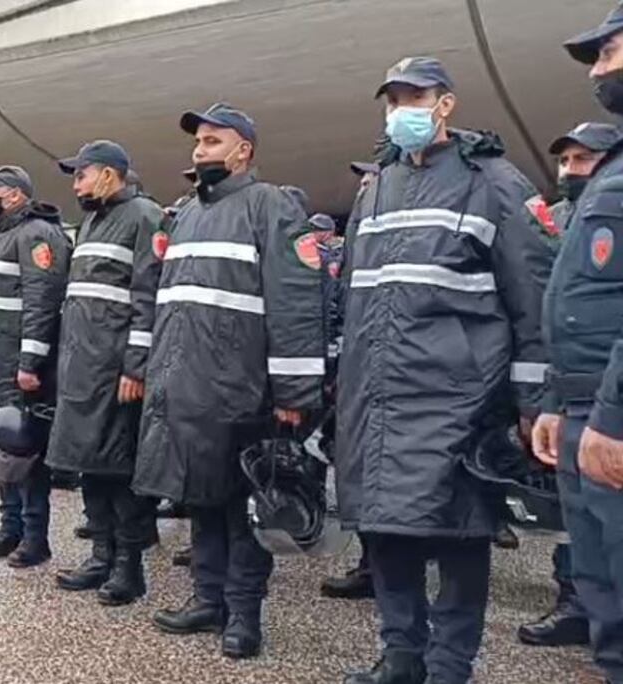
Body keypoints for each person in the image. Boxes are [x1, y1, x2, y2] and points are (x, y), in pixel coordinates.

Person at [337, 57, 553, 684]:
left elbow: (530, 296)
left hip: (458, 396)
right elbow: (354, 291)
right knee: (385, 530)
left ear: (446, 104)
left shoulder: (494, 182)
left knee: (460, 535)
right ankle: (402, 656)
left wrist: (533, 398)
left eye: (415, 95)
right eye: (393, 98)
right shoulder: (377, 183)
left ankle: (448, 667)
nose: (401, 108)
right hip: (374, 394)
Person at [132, 103, 324, 660]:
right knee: (202, 499)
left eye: (213, 142)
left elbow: (294, 304)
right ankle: (207, 599)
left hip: (243, 390)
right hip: (185, 387)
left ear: (244, 150)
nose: (200, 151)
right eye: (198, 143)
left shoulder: (271, 207)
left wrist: (294, 393)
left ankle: (243, 616)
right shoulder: (187, 213)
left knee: (243, 507)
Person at [535, 11, 623, 684]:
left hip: (613, 418)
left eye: (610, 52)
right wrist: (559, 404)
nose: (598, 72)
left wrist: (611, 420)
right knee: (602, 581)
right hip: (585, 409)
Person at [515, 122, 621, 649]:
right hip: (574, 396)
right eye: (565, 160)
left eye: (582, 160)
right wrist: (550, 400)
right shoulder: (564, 218)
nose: (569, 171)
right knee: (589, 543)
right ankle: (583, 612)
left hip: (611, 400)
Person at [45, 140, 163, 606]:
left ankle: (127, 567)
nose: (76, 184)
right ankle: (100, 554)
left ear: (110, 175)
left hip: (117, 371)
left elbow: (147, 298)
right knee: (90, 465)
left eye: (82, 174)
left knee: (119, 467)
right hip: (81, 367)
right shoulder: (91, 222)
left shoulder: (144, 217)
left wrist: (136, 366)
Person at [0, 165, 70, 568]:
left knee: (25, 451)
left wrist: (31, 361)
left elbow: (42, 303)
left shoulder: (37, 234)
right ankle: (10, 527)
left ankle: (35, 538)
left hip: (18, 366)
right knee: (3, 447)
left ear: (18, 195)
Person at [320, 162, 381, 603]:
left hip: (392, 371)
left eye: (370, 180)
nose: (362, 187)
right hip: (356, 367)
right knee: (357, 464)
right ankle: (371, 564)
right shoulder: (359, 239)